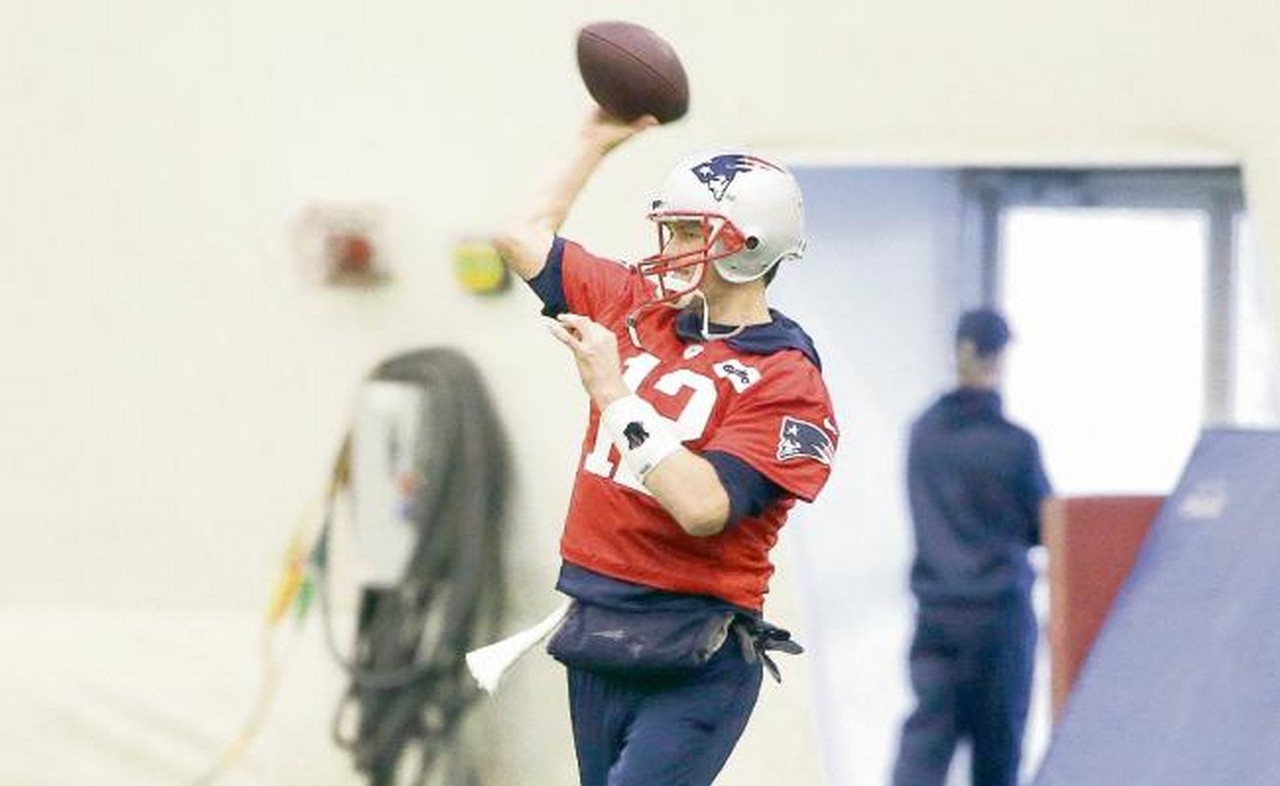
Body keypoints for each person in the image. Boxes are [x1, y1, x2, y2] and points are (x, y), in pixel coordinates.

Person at [493, 108, 839, 786]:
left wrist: (615, 393)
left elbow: (703, 506)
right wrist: (593, 140)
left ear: (746, 246)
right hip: (602, 630)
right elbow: (519, 236)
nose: (671, 248)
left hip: (694, 650)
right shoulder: (638, 305)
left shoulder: (786, 381)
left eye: (688, 233)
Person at [890, 308, 1052, 786]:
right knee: (997, 757)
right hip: (999, 619)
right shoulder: (1015, 446)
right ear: (1000, 358)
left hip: (937, 613)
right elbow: (1045, 528)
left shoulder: (923, 434)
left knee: (923, 753)